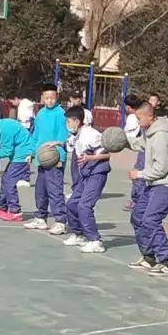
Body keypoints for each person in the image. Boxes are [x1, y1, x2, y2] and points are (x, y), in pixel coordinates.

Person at [126, 102, 168, 276]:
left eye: (139, 118)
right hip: (154, 183)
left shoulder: (161, 136)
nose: (138, 122)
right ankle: (149, 257)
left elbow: (161, 168)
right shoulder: (151, 132)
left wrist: (139, 174)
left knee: (151, 220)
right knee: (137, 217)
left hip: (167, 183)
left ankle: (166, 262)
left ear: (150, 116)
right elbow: (140, 144)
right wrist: (121, 140)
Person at [62, 105, 111, 253]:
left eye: (68, 122)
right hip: (85, 174)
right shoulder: (76, 135)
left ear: (77, 122)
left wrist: (90, 158)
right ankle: (79, 234)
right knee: (71, 204)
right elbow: (69, 145)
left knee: (84, 206)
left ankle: (95, 241)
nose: (67, 124)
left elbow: (108, 154)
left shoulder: (91, 135)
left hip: (97, 173)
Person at [25, 83, 69, 234]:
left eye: (52, 98)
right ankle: (41, 218)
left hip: (54, 159)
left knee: (55, 190)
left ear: (57, 98)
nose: (49, 100)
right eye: (47, 98)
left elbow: (63, 137)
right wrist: (31, 152)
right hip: (42, 158)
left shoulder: (61, 114)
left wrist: (60, 157)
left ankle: (60, 221)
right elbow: (35, 135)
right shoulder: (41, 114)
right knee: (40, 190)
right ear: (42, 98)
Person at [0, 116, 34, 222]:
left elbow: (7, 150)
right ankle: (1, 207)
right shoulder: (2, 125)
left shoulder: (4, 131)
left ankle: (15, 211)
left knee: (9, 182)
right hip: (18, 154)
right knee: (5, 179)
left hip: (22, 155)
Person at [123, 94, 144, 210]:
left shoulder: (133, 117)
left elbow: (130, 135)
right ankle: (138, 200)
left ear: (128, 107)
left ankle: (138, 201)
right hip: (145, 148)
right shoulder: (142, 115)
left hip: (145, 149)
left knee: (138, 174)